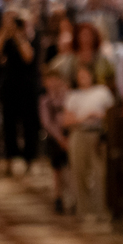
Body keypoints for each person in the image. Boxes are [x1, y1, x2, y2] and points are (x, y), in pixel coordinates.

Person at [63, 64, 114, 227]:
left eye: (86, 75)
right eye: (80, 76)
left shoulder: (102, 92)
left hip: (97, 134)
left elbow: (112, 115)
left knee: (99, 173)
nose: (83, 79)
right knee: (80, 172)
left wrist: (99, 116)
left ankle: (101, 211)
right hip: (79, 133)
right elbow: (67, 120)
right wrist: (85, 117)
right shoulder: (73, 95)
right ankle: (83, 211)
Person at [0, 10, 40, 173]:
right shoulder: (7, 37)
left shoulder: (32, 36)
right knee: (9, 124)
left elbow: (28, 56)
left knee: (29, 124)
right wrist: (5, 30)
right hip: (10, 86)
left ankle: (30, 159)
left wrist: (17, 35)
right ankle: (9, 159)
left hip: (28, 87)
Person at [38, 68, 71, 213]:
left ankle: (72, 197)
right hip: (55, 138)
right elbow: (47, 122)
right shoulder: (45, 100)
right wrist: (60, 138)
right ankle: (58, 197)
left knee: (70, 168)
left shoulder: (67, 97)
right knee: (57, 169)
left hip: (68, 135)